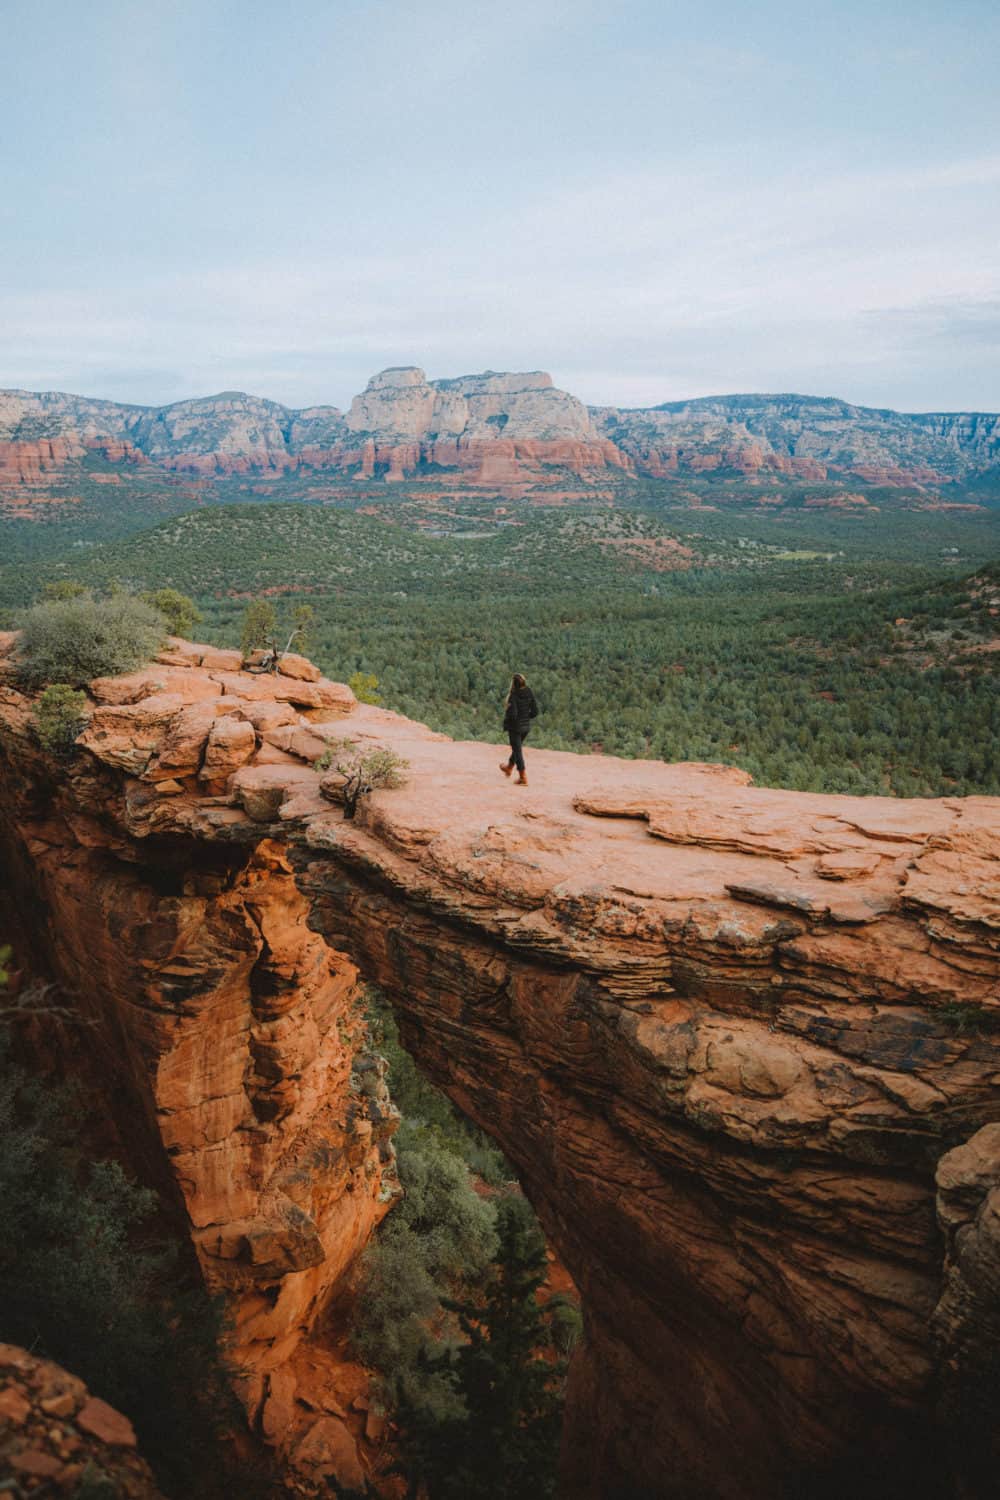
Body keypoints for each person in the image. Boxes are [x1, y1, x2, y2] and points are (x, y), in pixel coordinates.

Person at [500, 673, 538, 785]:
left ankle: (523, 777)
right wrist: (526, 717)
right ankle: (509, 767)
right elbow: (535, 712)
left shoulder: (513, 695)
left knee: (517, 750)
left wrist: (508, 713)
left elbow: (513, 715)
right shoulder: (529, 691)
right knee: (517, 749)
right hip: (526, 727)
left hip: (515, 728)